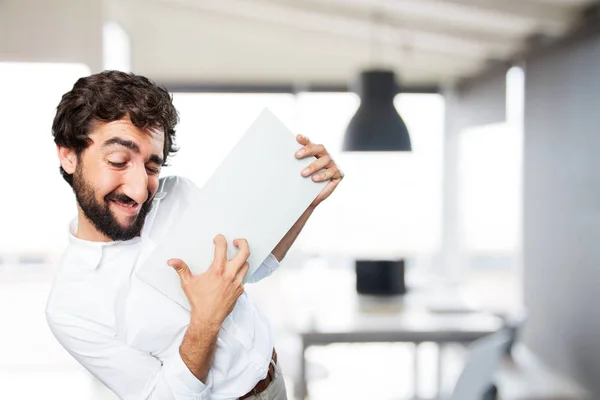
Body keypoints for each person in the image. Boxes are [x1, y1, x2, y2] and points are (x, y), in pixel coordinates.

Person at [45, 71, 344, 400]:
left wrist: (304, 200)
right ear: (68, 156)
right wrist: (206, 319)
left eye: (151, 167)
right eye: (118, 161)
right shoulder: (70, 307)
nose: (139, 190)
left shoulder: (178, 194)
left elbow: (255, 265)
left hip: (276, 381)